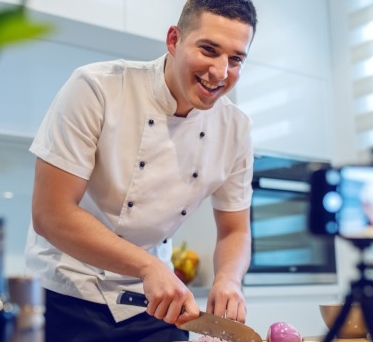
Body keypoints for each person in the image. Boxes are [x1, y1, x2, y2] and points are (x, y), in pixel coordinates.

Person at [25, 0, 258, 341]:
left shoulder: (235, 128)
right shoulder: (97, 88)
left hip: (158, 304)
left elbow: (235, 230)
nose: (221, 72)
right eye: (209, 50)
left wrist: (228, 278)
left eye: (236, 59)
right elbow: (51, 213)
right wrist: (148, 266)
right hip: (67, 294)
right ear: (174, 40)